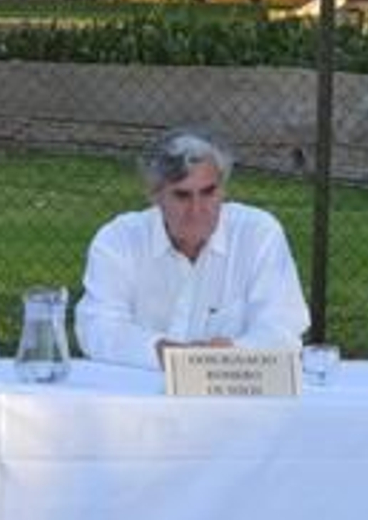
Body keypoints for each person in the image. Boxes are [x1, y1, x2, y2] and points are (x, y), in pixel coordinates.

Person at [75, 129, 310, 369]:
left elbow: (283, 328)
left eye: (208, 192)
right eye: (182, 196)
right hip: (141, 395)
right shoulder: (119, 240)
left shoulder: (258, 234)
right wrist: (165, 352)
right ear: (155, 196)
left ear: (223, 190)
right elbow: (97, 328)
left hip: (233, 392)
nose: (197, 210)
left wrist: (232, 352)